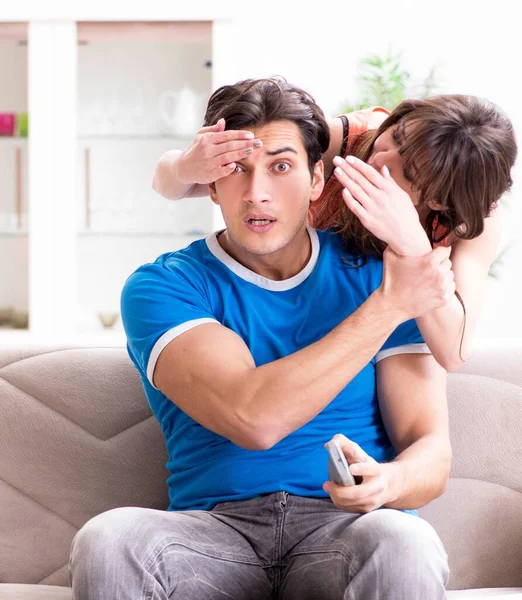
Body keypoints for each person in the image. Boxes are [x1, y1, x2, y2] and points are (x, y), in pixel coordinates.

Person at [69, 77, 452, 599]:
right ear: (210, 183)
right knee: (109, 540)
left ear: (318, 179)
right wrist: (386, 308)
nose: (257, 193)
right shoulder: (164, 286)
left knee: (405, 541)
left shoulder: (374, 272)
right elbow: (254, 418)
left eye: (281, 166)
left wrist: (390, 482)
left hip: (345, 531)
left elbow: (431, 451)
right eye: (236, 169)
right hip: (214, 533)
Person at [152, 93, 517, 372]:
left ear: (439, 198)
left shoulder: (469, 224)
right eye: (398, 136)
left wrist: (412, 244)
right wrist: (187, 164)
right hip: (297, 318)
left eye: (408, 171)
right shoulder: (347, 140)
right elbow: (174, 183)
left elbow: (453, 352)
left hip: (380, 342)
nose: (379, 158)